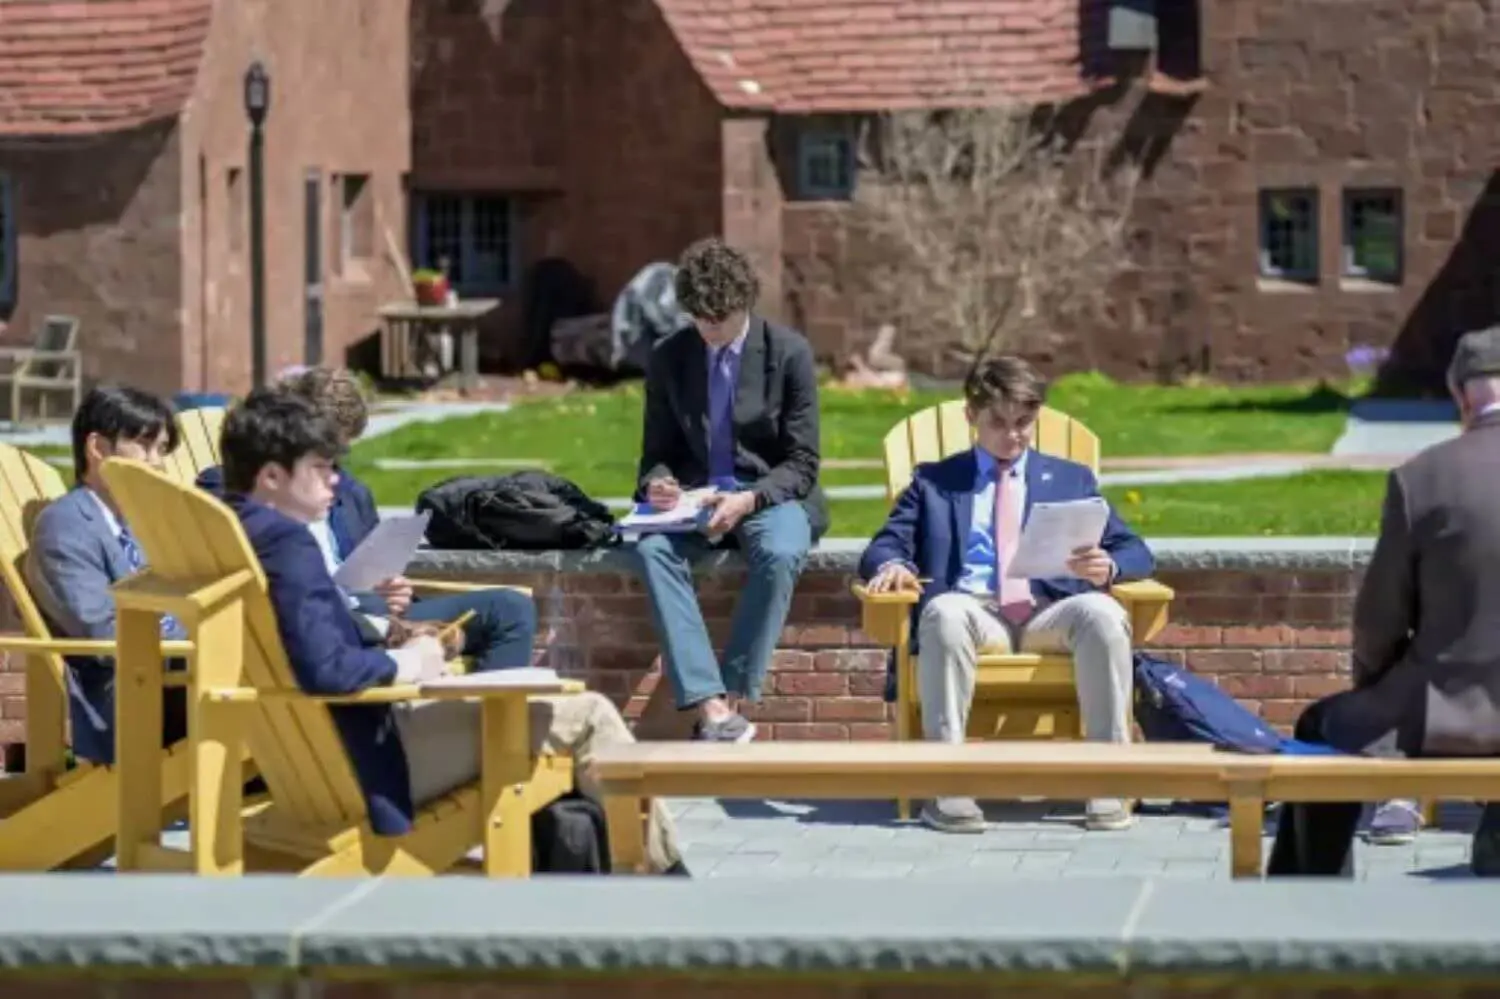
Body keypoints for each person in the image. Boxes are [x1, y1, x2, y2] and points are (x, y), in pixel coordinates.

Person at [217, 388, 685, 873]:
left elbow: (310, 644)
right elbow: (326, 668)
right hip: (372, 755)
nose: (335, 480)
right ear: (271, 475)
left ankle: (583, 862)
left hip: (309, 759)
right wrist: (410, 663)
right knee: (590, 714)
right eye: (319, 466)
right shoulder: (287, 545)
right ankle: (665, 883)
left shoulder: (237, 533)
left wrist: (397, 632)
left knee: (548, 711)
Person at [859, 357, 1155, 834]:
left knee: (1102, 611)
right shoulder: (935, 481)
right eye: (999, 422)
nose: (1013, 435)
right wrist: (892, 565)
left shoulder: (1070, 479)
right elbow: (885, 543)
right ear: (971, 417)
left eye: (1024, 423)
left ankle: (1108, 778)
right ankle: (949, 787)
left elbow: (1135, 549)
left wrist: (1110, 565)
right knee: (944, 611)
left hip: (1050, 616)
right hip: (978, 617)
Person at [1267, 326, 1500, 878]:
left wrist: (1374, 683)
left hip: (1446, 718)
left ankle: (1308, 907)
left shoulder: (1423, 478)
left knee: (1319, 727)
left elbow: (1379, 624)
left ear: (1460, 394)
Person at [199, 366, 535, 673]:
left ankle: (489, 714)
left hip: (369, 612)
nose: (334, 473)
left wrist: (394, 590)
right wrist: (400, 647)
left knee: (510, 608)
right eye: (321, 459)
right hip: (333, 626)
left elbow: (372, 565)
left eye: (337, 455)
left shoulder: (351, 492)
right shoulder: (231, 491)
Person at [631, 238, 826, 742]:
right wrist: (659, 485)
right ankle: (710, 704)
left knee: (781, 552)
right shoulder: (669, 357)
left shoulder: (788, 354)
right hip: (696, 500)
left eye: (720, 318)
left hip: (770, 493)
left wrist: (749, 499)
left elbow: (802, 463)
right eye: (699, 318)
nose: (709, 329)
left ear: (746, 303)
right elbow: (656, 452)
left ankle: (736, 693)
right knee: (653, 550)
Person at [26, 385, 184, 764]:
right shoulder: (66, 526)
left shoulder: (138, 524)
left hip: (170, 676)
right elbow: (101, 632)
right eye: (145, 446)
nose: (158, 462)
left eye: (161, 449)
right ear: (98, 449)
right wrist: (198, 636)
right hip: (125, 698)